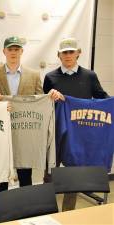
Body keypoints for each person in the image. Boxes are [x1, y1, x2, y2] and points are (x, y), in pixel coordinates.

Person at [0, 36, 62, 224]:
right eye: (10, 49)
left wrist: (51, 95)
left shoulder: (34, 74)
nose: (13, 52)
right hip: (2, 132)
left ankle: (26, 212)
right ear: (4, 51)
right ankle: (0, 212)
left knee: (25, 175)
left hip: (26, 133)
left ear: (21, 52)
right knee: (2, 176)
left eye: (17, 49)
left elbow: (40, 99)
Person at [43, 37, 109, 211]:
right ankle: (45, 209)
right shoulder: (50, 77)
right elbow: (43, 104)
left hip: (79, 133)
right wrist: (50, 95)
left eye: (71, 51)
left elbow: (101, 97)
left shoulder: (90, 75)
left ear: (78, 53)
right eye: (64, 52)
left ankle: (67, 213)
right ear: (59, 55)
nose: (68, 55)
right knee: (49, 170)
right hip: (55, 131)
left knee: (73, 173)